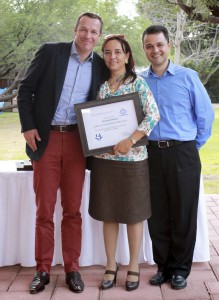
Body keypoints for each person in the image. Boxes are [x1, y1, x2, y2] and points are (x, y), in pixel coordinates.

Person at [17, 12, 106, 294]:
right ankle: (42, 270)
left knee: (72, 211)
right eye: (84, 29)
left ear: (99, 36)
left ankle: (72, 269)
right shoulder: (50, 52)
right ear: (75, 29)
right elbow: (25, 90)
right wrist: (28, 126)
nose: (88, 36)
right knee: (44, 211)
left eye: (94, 32)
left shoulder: (101, 66)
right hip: (46, 139)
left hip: (78, 144)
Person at [140, 25, 214, 290]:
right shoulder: (139, 81)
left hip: (183, 152)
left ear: (168, 45)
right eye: (149, 46)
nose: (155, 50)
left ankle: (181, 269)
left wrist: (192, 146)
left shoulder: (188, 77)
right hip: (151, 154)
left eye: (159, 44)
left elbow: (205, 116)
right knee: (157, 213)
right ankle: (163, 267)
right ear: (144, 49)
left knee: (183, 212)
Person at [88, 34, 160, 292]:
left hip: (133, 160)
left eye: (118, 52)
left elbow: (153, 116)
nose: (112, 57)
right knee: (108, 213)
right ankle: (110, 264)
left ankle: (133, 266)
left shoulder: (138, 83)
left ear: (127, 55)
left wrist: (130, 140)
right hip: (104, 160)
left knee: (133, 214)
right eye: (107, 52)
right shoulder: (102, 86)